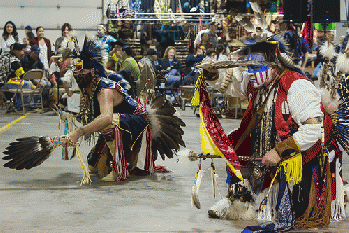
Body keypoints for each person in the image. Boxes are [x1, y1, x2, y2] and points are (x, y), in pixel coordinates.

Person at [199, 40, 337, 231]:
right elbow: (233, 85)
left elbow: (313, 130)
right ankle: (240, 203)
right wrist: (211, 72)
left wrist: (279, 151)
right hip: (263, 153)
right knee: (236, 146)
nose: (250, 73)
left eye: (256, 67)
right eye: (248, 67)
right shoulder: (258, 83)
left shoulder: (296, 85)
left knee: (296, 210)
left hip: (300, 155)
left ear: (273, 66)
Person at [61, 37, 185, 181]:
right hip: (125, 124)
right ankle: (115, 158)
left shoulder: (104, 89)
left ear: (93, 71)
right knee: (92, 166)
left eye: (81, 71)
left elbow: (106, 118)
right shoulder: (89, 89)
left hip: (138, 124)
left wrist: (78, 132)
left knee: (109, 120)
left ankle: (120, 167)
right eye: (76, 71)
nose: (77, 75)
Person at [1, 43, 35, 112]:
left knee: (23, 83)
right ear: (15, 51)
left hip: (5, 82)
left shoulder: (4, 55)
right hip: (3, 84)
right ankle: (22, 106)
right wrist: (33, 84)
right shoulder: (14, 61)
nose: (23, 53)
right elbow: (23, 76)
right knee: (27, 84)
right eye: (21, 51)